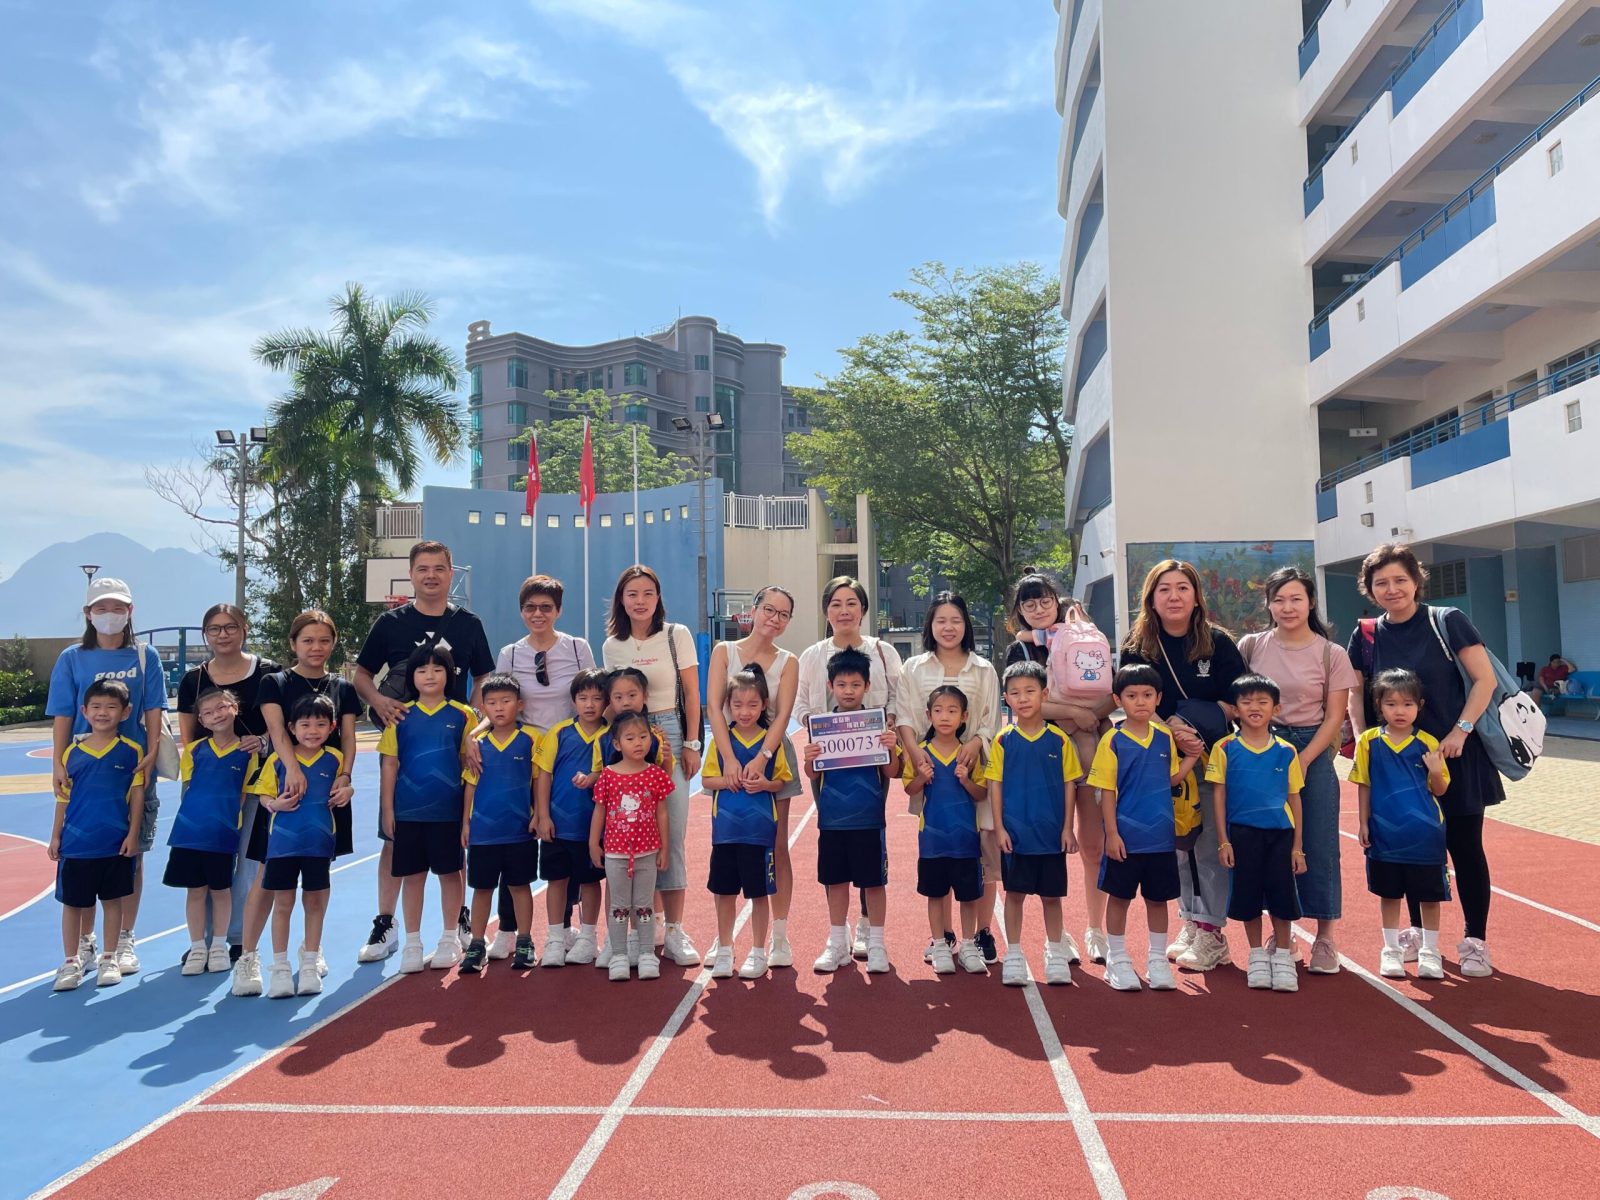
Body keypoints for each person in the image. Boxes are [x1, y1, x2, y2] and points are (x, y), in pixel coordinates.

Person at [1345, 543, 1500, 978]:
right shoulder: (1366, 635)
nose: (1392, 589)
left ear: (1416, 580)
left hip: (1456, 756)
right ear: (1370, 589)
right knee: (1409, 847)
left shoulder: (1447, 621)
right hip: (1397, 764)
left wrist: (1459, 731)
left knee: (1465, 849)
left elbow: (1484, 680)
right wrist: (1364, 739)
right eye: (1381, 583)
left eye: (1400, 579)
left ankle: (1475, 941)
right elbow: (1356, 693)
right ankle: (1416, 932)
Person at [354, 541, 494, 964]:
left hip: (453, 745)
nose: (431, 575)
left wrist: (475, 724)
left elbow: (484, 679)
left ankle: (458, 921)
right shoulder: (391, 622)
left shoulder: (468, 624)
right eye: (422, 569)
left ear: (451, 573)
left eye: (438, 568)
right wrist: (379, 702)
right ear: (411, 575)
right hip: (407, 744)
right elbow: (362, 675)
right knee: (395, 836)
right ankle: (386, 923)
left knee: (455, 838)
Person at [1120, 559, 1246, 973]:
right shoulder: (1136, 646)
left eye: (1182, 588)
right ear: (1150, 599)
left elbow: (1238, 701)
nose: (1174, 596)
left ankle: (1212, 932)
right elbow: (1131, 699)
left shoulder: (1219, 643)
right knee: (1178, 844)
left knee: (1208, 844)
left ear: (1196, 597)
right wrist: (1171, 727)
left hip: (1210, 758)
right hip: (1160, 759)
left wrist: (1196, 723)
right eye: (1164, 589)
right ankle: (1190, 920)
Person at [46, 576, 167, 976]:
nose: (110, 614)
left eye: (118, 607)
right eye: (101, 608)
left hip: (131, 773)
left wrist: (151, 754)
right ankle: (85, 941)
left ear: (130, 612)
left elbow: (153, 709)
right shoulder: (72, 658)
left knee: (132, 854)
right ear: (88, 613)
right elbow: (63, 713)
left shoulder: (145, 656)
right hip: (85, 776)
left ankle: (125, 938)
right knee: (82, 857)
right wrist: (58, 762)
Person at [1237, 567, 1356, 973]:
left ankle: (1325, 937)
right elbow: (1237, 700)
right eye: (1279, 599)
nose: (1287, 607)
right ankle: (1281, 934)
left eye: (1296, 599)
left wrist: (1301, 761)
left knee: (1319, 843)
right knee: (1268, 842)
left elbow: (1335, 716)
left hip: (1312, 748)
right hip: (1262, 747)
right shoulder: (1251, 646)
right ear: (1268, 604)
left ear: (1311, 603)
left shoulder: (1331, 653)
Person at [234, 611, 359, 997]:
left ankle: (311, 950)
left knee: (319, 878)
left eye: (324, 640)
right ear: (293, 643)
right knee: (266, 876)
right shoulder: (275, 682)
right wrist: (291, 769)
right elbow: (276, 730)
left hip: (326, 793)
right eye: (308, 640)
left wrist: (345, 777)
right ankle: (249, 957)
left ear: (333, 643)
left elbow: (348, 739)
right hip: (284, 791)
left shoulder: (343, 687)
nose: (316, 647)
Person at [1003, 572, 1115, 966]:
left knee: (1093, 843)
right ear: (1020, 610)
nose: (1038, 609)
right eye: (1029, 604)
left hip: (1090, 747)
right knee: (1046, 846)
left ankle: (1096, 929)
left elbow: (1112, 691)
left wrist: (1087, 717)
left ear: (1057, 599)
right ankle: (1058, 933)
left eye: (1044, 600)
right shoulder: (1020, 650)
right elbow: (1025, 703)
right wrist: (1073, 713)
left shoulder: (1087, 636)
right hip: (1040, 759)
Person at [794, 576, 905, 959]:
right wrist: (821, 731)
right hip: (828, 762)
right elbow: (802, 704)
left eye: (851, 603)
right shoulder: (812, 656)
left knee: (868, 835)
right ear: (826, 611)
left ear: (863, 609)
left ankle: (868, 928)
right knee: (836, 838)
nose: (844, 611)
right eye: (836, 604)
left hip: (873, 760)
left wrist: (886, 727)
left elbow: (898, 698)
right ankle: (837, 937)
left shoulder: (883, 652)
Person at [601, 565, 703, 967]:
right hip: (626, 734)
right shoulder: (612, 646)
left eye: (647, 593)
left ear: (658, 597)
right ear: (621, 600)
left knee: (670, 834)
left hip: (669, 731)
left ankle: (674, 930)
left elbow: (692, 692)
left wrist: (691, 743)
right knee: (628, 833)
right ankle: (634, 930)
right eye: (632, 594)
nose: (640, 601)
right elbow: (614, 699)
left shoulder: (676, 635)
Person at [490, 574, 596, 956]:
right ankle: (507, 929)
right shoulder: (510, 654)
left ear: (558, 611)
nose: (538, 614)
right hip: (524, 756)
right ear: (521, 611)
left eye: (546, 607)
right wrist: (476, 734)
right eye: (531, 607)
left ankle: (563, 926)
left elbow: (593, 693)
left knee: (564, 839)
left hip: (569, 755)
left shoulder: (577, 648)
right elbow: (498, 702)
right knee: (515, 840)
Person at [895, 592, 1001, 967]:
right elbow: (905, 716)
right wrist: (915, 752)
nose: (949, 627)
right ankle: (943, 936)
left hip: (975, 770)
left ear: (966, 624)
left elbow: (991, 719)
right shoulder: (913, 668)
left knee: (982, 852)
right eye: (941, 620)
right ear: (930, 625)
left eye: (956, 620)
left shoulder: (983, 669)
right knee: (939, 853)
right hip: (933, 773)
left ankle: (980, 933)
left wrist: (974, 742)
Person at [175, 603, 281, 959]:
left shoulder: (268, 673)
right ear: (206, 634)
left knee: (247, 862)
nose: (223, 634)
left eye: (230, 627)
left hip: (255, 781)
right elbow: (189, 737)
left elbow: (282, 726)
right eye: (215, 628)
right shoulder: (194, 680)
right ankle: (203, 940)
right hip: (207, 786)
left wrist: (262, 742)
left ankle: (236, 937)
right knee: (207, 859)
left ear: (244, 629)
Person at [705, 585, 803, 968]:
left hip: (772, 754)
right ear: (754, 609)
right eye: (769, 610)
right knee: (728, 840)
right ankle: (725, 939)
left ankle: (778, 936)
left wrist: (764, 757)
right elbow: (714, 707)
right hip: (730, 751)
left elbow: (783, 715)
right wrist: (729, 759)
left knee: (776, 844)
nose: (774, 619)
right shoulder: (724, 651)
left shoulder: (788, 661)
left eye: (783, 614)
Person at [1086, 664, 1198, 993]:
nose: (1140, 702)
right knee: (1119, 899)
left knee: (1158, 901)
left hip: (1160, 840)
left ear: (1158, 698)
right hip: (1125, 839)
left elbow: (1171, 779)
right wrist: (1112, 834)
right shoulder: (1112, 740)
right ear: (1117, 700)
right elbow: (1107, 791)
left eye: (1147, 695)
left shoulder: (1164, 737)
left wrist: (1192, 757)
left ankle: (1157, 959)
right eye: (1132, 696)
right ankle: (1118, 959)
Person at [377, 646, 475, 974]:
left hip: (448, 813)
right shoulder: (400, 716)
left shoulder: (463, 715)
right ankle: (413, 942)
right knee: (413, 877)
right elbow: (390, 764)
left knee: (450, 874)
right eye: (422, 670)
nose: (429, 676)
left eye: (437, 669)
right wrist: (388, 810)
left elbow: (469, 765)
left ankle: (449, 937)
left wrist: (466, 815)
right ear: (412, 677)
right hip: (408, 812)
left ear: (450, 675)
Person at [1349, 668, 1451, 981]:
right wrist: (1363, 822)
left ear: (1419, 706)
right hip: (1384, 832)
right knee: (1390, 895)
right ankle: (1391, 950)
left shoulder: (1428, 742)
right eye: (1391, 704)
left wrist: (1435, 770)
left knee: (1429, 897)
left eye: (1407, 704)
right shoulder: (1368, 741)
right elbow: (1364, 784)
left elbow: (1440, 789)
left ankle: (1430, 951)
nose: (1400, 711)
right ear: (1379, 706)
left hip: (1425, 833)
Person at [1209, 675, 1306, 993]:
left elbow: (1295, 798)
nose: (1255, 707)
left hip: (1280, 834)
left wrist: (1298, 847)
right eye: (1247, 701)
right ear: (1235, 709)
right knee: (1247, 895)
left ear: (1275, 708)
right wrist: (1223, 841)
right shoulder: (1225, 748)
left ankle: (1282, 956)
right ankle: (1256, 956)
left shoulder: (1287, 751)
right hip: (1242, 834)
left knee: (1282, 896)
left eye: (1263, 702)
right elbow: (1219, 796)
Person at [990, 660, 1083, 988]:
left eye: (1030, 691)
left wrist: (1067, 828)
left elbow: (1071, 784)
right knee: (1014, 894)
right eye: (1015, 693)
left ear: (1044, 694)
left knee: (1051, 897)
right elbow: (995, 785)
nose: (1023, 698)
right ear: (1006, 699)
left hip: (1051, 836)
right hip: (1015, 836)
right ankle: (1014, 954)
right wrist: (999, 828)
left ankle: (1055, 952)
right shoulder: (1003, 741)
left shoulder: (1059, 740)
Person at [48, 679, 144, 991]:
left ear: (125, 712)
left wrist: (133, 834)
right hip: (76, 845)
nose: (103, 712)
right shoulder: (71, 754)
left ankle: (109, 958)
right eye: (97, 706)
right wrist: (56, 836)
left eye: (111, 707)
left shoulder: (132, 752)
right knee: (73, 904)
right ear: (84, 711)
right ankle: (71, 961)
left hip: (114, 844)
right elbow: (63, 799)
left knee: (112, 902)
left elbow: (137, 797)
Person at [247, 694, 342, 999]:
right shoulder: (278, 760)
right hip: (282, 846)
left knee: (314, 904)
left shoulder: (335, 759)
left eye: (320, 724)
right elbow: (263, 795)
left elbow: (344, 785)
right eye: (305, 724)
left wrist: (348, 789)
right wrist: (274, 804)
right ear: (291, 728)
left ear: (332, 727)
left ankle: (310, 963)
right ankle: (280, 967)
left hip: (318, 846)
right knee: (283, 904)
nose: (312, 731)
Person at [701, 670, 792, 981]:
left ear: (764, 704)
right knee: (724, 893)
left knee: (759, 894)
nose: (744, 711)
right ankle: (725, 949)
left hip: (759, 834)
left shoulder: (771, 742)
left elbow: (781, 781)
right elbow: (707, 779)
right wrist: (729, 780)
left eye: (752, 705)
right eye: (738, 705)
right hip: (725, 833)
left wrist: (765, 784)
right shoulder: (721, 741)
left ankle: (758, 951)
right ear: (728, 705)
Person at [166, 688, 257, 976]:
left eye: (221, 707)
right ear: (201, 721)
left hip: (223, 835)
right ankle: (197, 946)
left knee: (221, 890)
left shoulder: (248, 752)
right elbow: (189, 790)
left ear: (235, 709)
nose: (216, 715)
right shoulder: (194, 750)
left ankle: (219, 944)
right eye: (208, 712)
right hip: (190, 834)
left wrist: (227, 821)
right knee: (195, 891)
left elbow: (243, 796)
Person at [902, 684, 989, 975]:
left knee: (968, 896)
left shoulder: (969, 755)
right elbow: (909, 788)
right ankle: (940, 944)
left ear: (964, 716)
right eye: (938, 710)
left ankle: (968, 945)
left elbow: (982, 793)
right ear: (928, 715)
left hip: (966, 840)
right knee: (936, 894)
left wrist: (966, 781)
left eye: (952, 711)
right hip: (933, 840)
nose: (945, 716)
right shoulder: (921, 753)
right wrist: (921, 777)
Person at [460, 673, 540, 975]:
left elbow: (538, 780)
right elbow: (470, 786)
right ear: (483, 708)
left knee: (520, 886)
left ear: (519, 705)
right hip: (483, 833)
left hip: (519, 831)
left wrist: (538, 813)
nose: (499, 707)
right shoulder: (478, 744)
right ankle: (477, 944)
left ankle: (525, 941)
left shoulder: (531, 738)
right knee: (482, 889)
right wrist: (465, 824)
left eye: (506, 701)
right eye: (492, 703)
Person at [533, 669, 612, 967]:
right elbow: (544, 774)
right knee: (557, 880)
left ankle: (588, 937)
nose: (589, 704)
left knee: (591, 883)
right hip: (559, 825)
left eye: (597, 698)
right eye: (583, 698)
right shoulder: (559, 732)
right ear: (573, 701)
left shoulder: (613, 735)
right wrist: (543, 815)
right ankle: (556, 938)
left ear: (607, 702)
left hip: (595, 830)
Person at [589, 712, 675, 983]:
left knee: (644, 905)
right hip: (615, 854)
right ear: (617, 744)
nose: (638, 742)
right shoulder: (608, 776)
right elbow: (599, 811)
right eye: (630, 738)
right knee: (619, 906)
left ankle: (647, 953)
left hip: (647, 852)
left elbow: (662, 812)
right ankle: (618, 955)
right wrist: (593, 843)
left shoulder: (655, 775)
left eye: (643, 737)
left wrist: (664, 847)